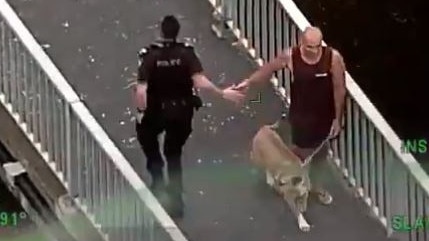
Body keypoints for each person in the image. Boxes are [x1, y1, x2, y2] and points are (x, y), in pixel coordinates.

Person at [132, 15, 245, 218]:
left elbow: (141, 91)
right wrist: (221, 93)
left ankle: (157, 178)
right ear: (177, 32)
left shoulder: (150, 57)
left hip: (155, 111)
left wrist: (141, 112)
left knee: (148, 140)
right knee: (173, 154)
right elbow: (199, 81)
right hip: (181, 112)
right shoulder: (186, 54)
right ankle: (176, 202)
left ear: (161, 32)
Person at [234, 26, 346, 204]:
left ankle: (315, 187)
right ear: (302, 42)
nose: (314, 50)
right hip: (301, 116)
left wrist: (337, 119)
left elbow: (339, 89)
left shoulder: (333, 59)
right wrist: (248, 82)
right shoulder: (290, 56)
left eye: (317, 46)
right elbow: (268, 70)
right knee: (298, 154)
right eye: (310, 46)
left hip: (324, 117)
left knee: (321, 153)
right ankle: (285, 180)